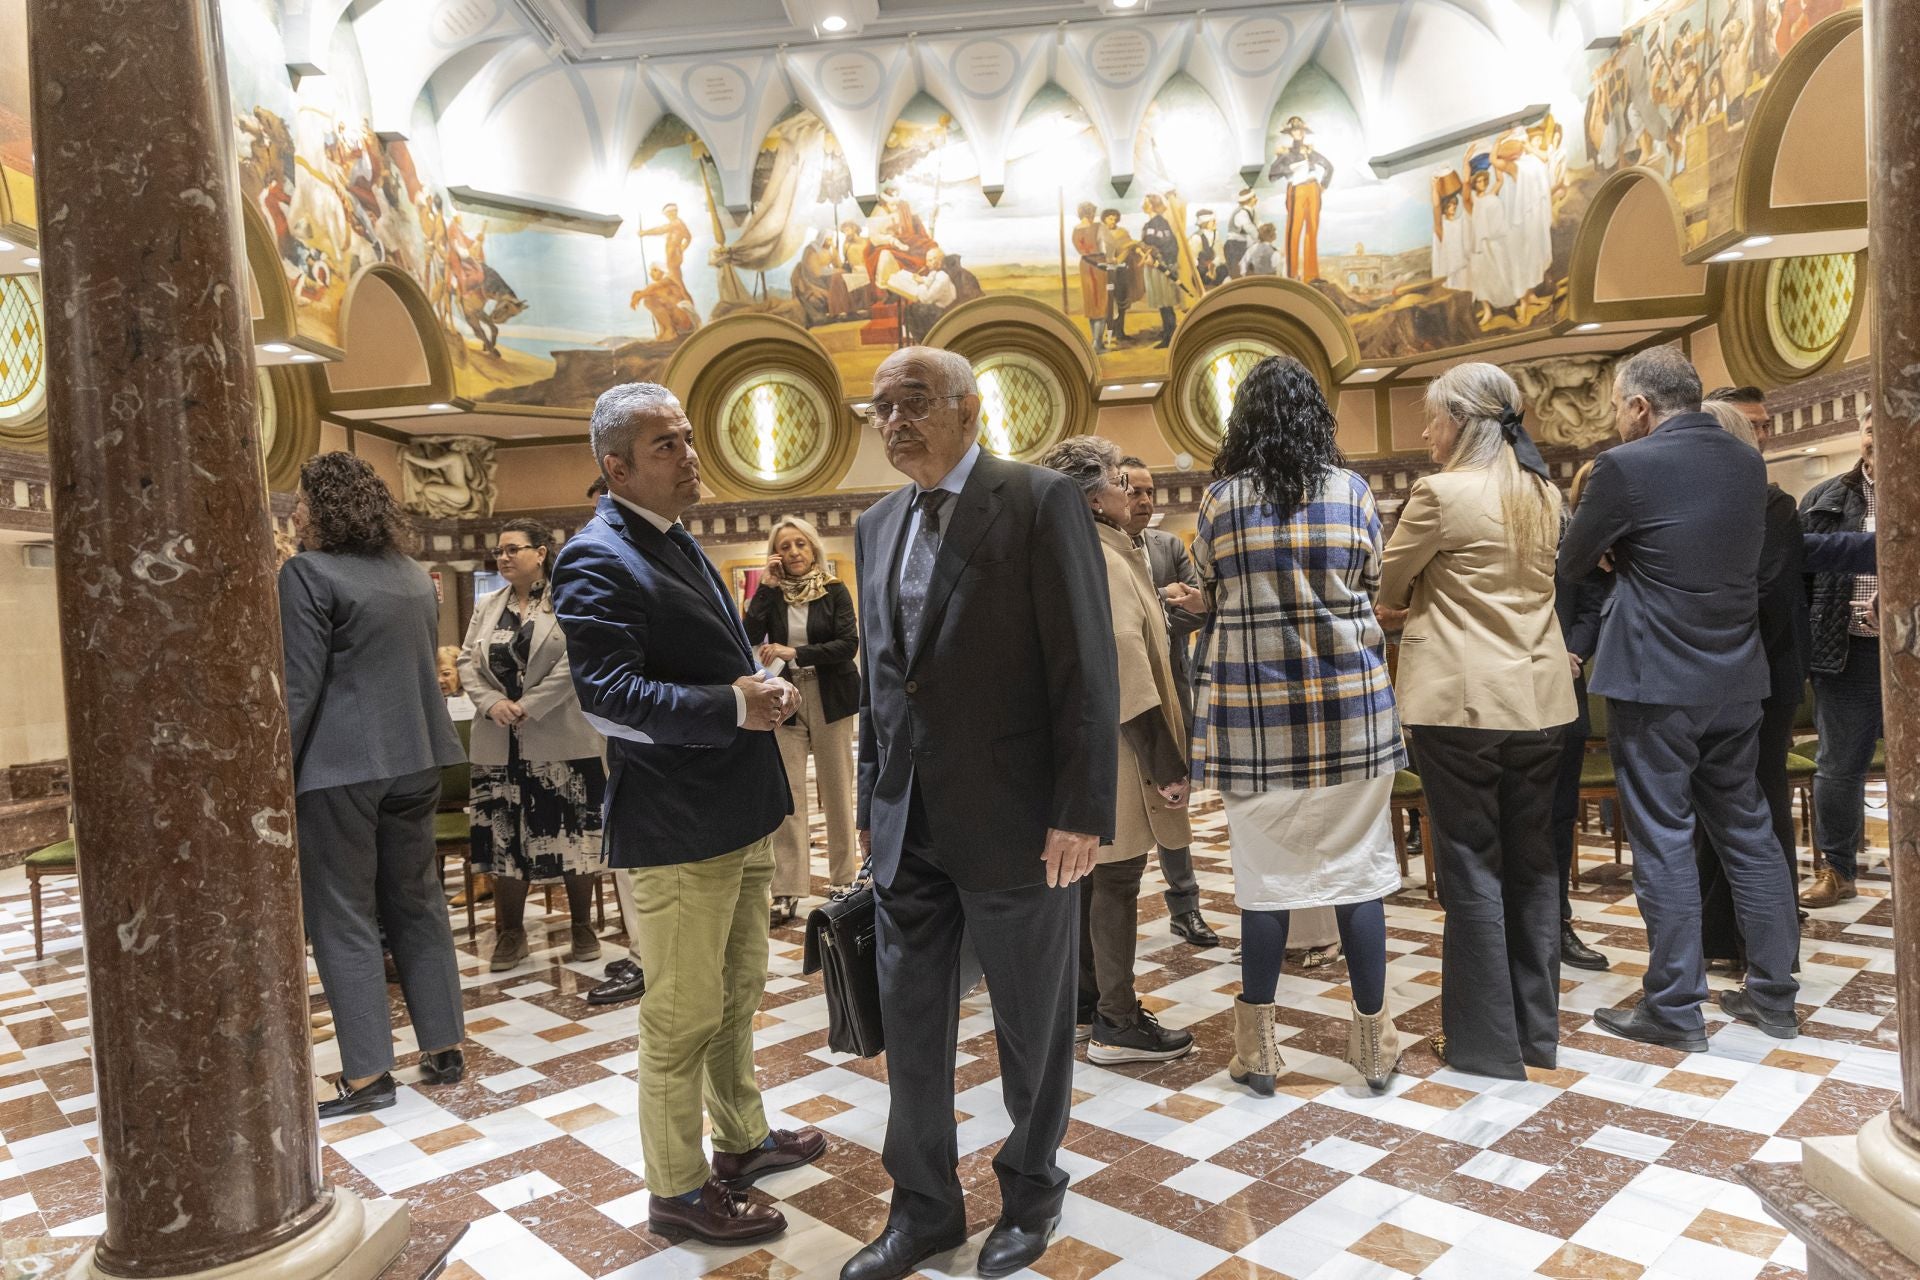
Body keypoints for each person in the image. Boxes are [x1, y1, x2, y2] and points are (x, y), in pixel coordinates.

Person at [842, 347, 1118, 1280]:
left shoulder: (1038, 501)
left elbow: (1085, 664)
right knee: (911, 1022)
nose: (894, 422)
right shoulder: (876, 524)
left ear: (969, 408)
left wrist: (1080, 810)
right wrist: (871, 802)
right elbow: (888, 680)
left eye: (913, 402)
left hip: (1018, 818)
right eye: (881, 407)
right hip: (907, 823)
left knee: (1030, 1025)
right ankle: (922, 1208)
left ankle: (1031, 1190)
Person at [551, 383, 826, 1245]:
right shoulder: (597, 555)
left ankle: (740, 1138)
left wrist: (756, 681)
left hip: (734, 808)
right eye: (666, 444)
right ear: (616, 465)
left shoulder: (670, 539)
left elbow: (707, 655)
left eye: (687, 439)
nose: (689, 455)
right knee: (680, 1013)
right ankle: (675, 1186)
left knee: (737, 991)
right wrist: (732, 705)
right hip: (674, 824)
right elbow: (606, 698)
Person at [1558, 347, 1801, 1050]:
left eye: (1614, 406)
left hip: (1655, 680)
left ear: (1640, 406)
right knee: (1749, 831)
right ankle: (1775, 996)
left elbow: (1574, 560)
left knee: (1664, 836)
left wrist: (1618, 551)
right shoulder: (1745, 461)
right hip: (1736, 678)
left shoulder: (1625, 467)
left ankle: (1673, 1007)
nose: (1616, 419)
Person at [1191, 356, 1406, 1096]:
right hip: (1355, 719)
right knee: (1361, 878)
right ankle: (1374, 1047)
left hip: (1257, 725)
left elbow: (1212, 589)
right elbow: (1373, 585)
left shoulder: (1222, 501)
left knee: (1263, 887)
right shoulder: (1352, 492)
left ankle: (1258, 1053)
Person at [1378, 364, 1576, 1079]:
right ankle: (1535, 1034)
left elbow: (1389, 585)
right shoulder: (1543, 491)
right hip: (1541, 699)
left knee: (1469, 865)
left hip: (1459, 705)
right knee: (1533, 865)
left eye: (1431, 418)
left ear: (1460, 421)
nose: (1426, 432)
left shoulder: (1439, 494)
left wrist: (1426, 592)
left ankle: (1483, 1045)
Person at [279, 452, 468, 1117]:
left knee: (343, 915)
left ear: (325, 509)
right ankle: (444, 1047)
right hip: (418, 761)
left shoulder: (307, 573)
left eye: (300, 501)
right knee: (417, 903)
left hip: (340, 770)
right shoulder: (414, 576)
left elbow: (298, 688)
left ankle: (366, 1076)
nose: (294, 514)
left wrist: (274, 772)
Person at [1045, 437, 1194, 1064]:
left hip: (1092, 741)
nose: (1129, 490)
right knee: (1117, 877)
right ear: (1092, 494)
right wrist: (1164, 761)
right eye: (1117, 480)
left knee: (1091, 879)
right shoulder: (1103, 559)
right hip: (1119, 745)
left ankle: (1086, 1001)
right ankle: (1117, 1020)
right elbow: (1126, 665)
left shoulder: (1096, 549)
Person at [458, 518, 610, 972]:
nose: (503, 557)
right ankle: (510, 934)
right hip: (499, 741)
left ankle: (582, 928)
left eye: (513, 549)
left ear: (540, 552)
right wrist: (492, 703)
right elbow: (467, 660)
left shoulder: (568, 599)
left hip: (561, 736)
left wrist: (529, 704)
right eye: (499, 551)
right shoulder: (487, 605)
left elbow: (576, 660)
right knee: (505, 839)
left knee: (572, 837)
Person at [1697, 398, 1806, 971]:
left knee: (1759, 807)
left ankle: (1768, 948)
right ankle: (1718, 935)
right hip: (1720, 674)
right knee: (1714, 810)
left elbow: (1767, 595)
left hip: (1765, 677)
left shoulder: (1775, 506)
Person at [1117, 457, 1219, 948]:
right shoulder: (1102, 552)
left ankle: (1186, 906)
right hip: (1123, 702)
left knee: (1173, 801)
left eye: (1149, 491)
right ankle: (1117, 915)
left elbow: (1199, 609)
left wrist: (1154, 629)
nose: (1143, 501)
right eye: (1133, 491)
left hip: (1171, 693)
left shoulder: (1167, 547)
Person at [744, 516, 861, 925]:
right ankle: (787, 890)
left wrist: (796, 653)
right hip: (785, 698)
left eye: (801, 545)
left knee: (837, 793)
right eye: (785, 546)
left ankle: (845, 881)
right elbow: (747, 633)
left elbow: (848, 644)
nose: (794, 552)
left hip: (830, 695)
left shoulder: (834, 589)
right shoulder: (772, 594)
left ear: (813, 549)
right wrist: (766, 587)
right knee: (788, 796)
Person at [1799, 407, 1878, 909]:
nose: (1878, 437)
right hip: (1848, 651)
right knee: (1838, 766)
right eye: (1871, 428)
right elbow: (1799, 581)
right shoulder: (1825, 498)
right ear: (1860, 433)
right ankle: (1837, 870)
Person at [1548, 462, 1609, 972]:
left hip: (1565, 696)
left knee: (1558, 819)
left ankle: (1558, 925)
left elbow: (1590, 606)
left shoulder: (1570, 538)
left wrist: (1574, 651)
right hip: (1505, 701)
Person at [1140, 195, 1182, 347]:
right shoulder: (1153, 223)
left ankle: (1170, 336)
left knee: (1165, 301)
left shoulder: (1158, 223)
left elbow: (1165, 245)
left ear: (1151, 205)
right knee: (1162, 301)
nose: (1143, 204)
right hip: (1156, 266)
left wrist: (1154, 255)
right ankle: (1167, 331)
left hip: (1161, 266)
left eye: (1146, 202)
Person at [1072, 202, 1110, 352]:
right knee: (1101, 302)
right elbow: (1105, 247)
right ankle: (1097, 343)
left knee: (1091, 303)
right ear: (1091, 213)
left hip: (1085, 266)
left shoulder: (1075, 230)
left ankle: (1095, 340)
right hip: (1098, 264)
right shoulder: (1098, 227)